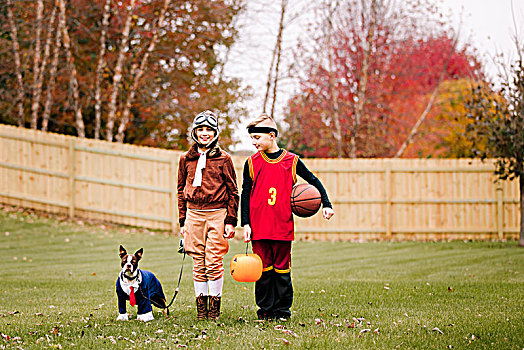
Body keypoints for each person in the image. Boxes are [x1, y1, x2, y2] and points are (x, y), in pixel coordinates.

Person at [241, 113, 334, 321]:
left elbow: (312, 179)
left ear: (271, 135)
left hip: (282, 227)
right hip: (259, 227)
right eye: (252, 139)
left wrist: (325, 204)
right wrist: (245, 223)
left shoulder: (291, 161)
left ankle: (282, 311)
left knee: (282, 270)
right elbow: (245, 194)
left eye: (257, 138)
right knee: (263, 272)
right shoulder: (251, 163)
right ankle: (265, 311)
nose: (254, 142)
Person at [177, 110, 239, 321]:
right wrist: (182, 220)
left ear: (215, 133)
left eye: (209, 130)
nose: (205, 133)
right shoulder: (186, 159)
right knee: (198, 262)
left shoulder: (224, 159)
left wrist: (230, 220)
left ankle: (214, 310)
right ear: (194, 132)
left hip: (217, 214)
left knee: (213, 261)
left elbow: (233, 191)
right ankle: (201, 311)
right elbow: (180, 190)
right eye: (200, 129)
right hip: (193, 215)